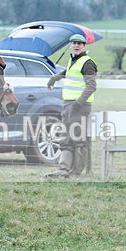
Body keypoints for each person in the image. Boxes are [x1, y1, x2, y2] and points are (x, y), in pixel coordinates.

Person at [45, 33, 97, 177]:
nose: (76, 45)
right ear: (70, 45)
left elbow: (91, 86)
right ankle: (62, 170)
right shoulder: (74, 61)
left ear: (84, 46)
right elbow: (68, 73)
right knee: (66, 139)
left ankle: (76, 172)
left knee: (78, 140)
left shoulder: (87, 63)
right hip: (68, 105)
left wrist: (78, 104)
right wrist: (55, 78)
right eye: (74, 43)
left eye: (79, 43)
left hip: (79, 106)